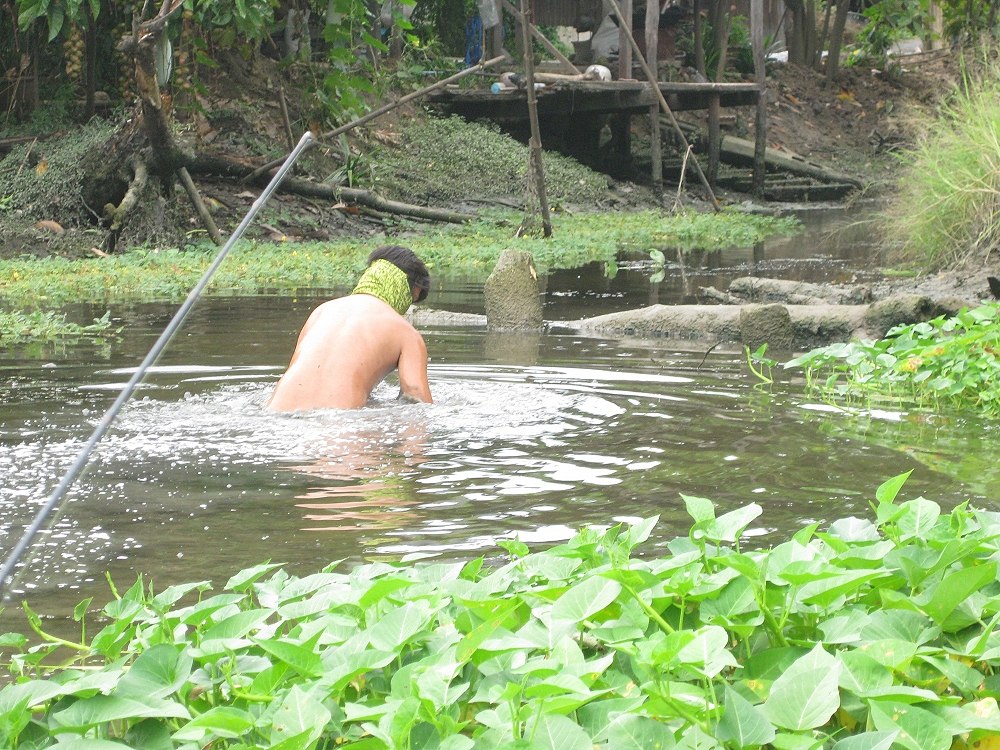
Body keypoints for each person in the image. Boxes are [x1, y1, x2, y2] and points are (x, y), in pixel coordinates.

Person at [267, 246, 433, 411]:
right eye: (410, 300)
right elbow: (416, 399)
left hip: (276, 412)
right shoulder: (406, 333)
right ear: (403, 290)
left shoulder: (321, 312)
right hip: (340, 423)